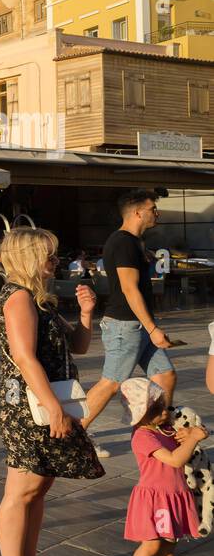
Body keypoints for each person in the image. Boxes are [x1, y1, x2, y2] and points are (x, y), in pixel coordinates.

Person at [0, 228, 103, 556]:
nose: (55, 263)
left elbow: (79, 347)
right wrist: (54, 408)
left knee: (38, 488)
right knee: (21, 490)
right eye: (49, 256)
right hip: (27, 406)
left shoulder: (41, 300)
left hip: (43, 401)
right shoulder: (18, 297)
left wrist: (87, 314)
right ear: (28, 258)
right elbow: (24, 358)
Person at [81, 190, 175, 449]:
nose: (156, 212)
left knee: (165, 376)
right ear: (137, 212)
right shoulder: (123, 242)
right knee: (111, 383)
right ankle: (75, 435)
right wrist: (153, 328)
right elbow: (129, 288)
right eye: (152, 208)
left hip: (137, 326)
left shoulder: (134, 242)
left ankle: (158, 430)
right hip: (125, 326)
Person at [119, 377, 206, 556]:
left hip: (174, 495)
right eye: (156, 409)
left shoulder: (165, 428)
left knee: (169, 544)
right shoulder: (143, 437)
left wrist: (191, 435)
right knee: (151, 544)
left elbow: (190, 436)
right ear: (139, 414)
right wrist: (193, 438)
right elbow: (175, 460)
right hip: (155, 498)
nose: (165, 413)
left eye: (164, 406)